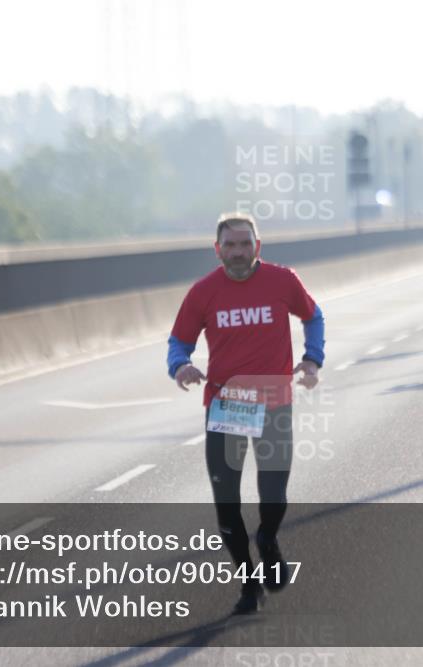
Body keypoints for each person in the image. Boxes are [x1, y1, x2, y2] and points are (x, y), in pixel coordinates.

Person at [167, 213, 325, 614]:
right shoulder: (203, 292)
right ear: (217, 249)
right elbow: (178, 342)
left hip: (273, 401)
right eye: (230, 246)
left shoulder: (282, 281)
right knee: (226, 505)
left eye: (244, 244)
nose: (237, 253)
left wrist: (312, 360)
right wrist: (180, 365)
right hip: (228, 405)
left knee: (273, 498)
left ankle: (268, 540)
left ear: (258, 246)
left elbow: (313, 316)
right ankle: (248, 584)